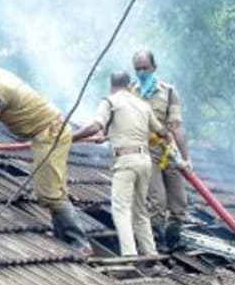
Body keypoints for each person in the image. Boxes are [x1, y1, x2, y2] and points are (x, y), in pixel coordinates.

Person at [0, 41, 93, 253]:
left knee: (50, 193)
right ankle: (64, 238)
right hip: (52, 131)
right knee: (53, 189)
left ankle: (80, 245)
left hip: (48, 135)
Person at [72, 71, 167, 257]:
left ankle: (130, 255)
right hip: (144, 161)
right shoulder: (143, 105)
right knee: (140, 210)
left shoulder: (109, 101)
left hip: (126, 161)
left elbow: (96, 126)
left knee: (121, 208)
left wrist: (71, 137)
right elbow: (162, 132)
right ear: (130, 85)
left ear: (112, 85)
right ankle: (150, 253)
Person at [131, 49, 193, 253]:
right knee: (158, 201)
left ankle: (173, 240)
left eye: (145, 68)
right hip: (146, 152)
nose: (141, 72)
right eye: (137, 69)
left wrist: (185, 158)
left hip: (169, 151)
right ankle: (156, 244)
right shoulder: (131, 93)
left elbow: (176, 126)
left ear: (154, 67)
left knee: (179, 203)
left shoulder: (168, 92)